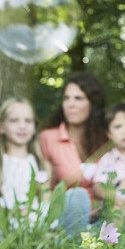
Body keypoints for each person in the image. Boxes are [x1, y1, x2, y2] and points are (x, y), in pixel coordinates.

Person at [38, 72, 108, 236]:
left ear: (93, 103)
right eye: (66, 98)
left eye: (78, 98)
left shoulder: (107, 139)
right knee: (77, 195)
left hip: (103, 219)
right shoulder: (48, 138)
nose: (70, 104)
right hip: (64, 220)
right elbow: (43, 188)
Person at [0, 97, 49, 224]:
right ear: (1, 127)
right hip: (2, 222)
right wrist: (14, 213)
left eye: (28, 121)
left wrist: (32, 213)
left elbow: (46, 198)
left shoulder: (40, 163)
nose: (22, 126)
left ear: (34, 127)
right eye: (14, 120)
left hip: (35, 221)